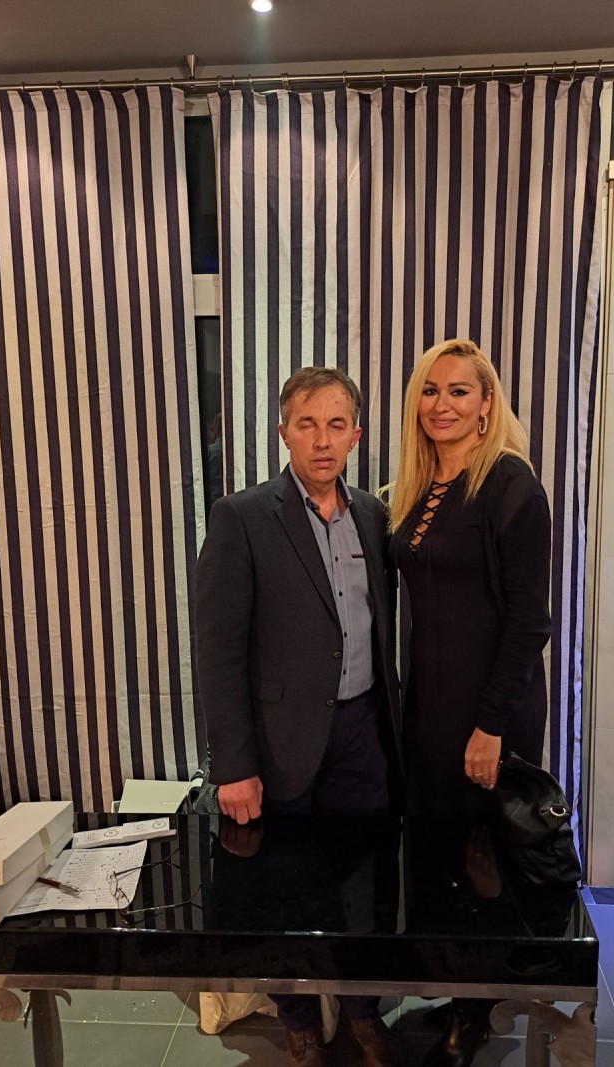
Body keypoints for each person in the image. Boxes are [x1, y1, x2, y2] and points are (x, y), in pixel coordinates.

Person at [196, 366, 403, 1067]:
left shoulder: (374, 516)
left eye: (336, 424)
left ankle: (363, 1012)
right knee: (282, 890)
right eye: (307, 424)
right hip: (278, 745)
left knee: (363, 887)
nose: (322, 440)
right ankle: (298, 1020)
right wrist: (234, 765)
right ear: (284, 432)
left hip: (362, 734)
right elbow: (219, 649)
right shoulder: (243, 516)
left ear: (356, 435)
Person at [389, 339, 552, 1066]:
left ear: (487, 404)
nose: (442, 404)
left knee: (484, 859)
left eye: (459, 391)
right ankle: (455, 985)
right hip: (429, 708)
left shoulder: (510, 483)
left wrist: (490, 725)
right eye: (430, 390)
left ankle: (476, 1011)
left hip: (489, 712)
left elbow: (529, 622)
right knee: (439, 854)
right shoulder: (417, 485)